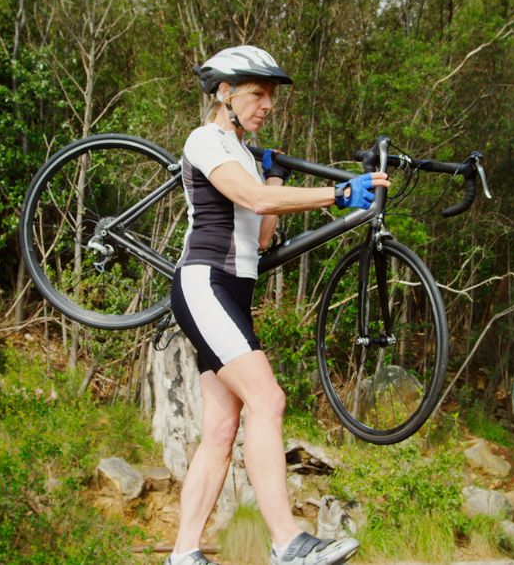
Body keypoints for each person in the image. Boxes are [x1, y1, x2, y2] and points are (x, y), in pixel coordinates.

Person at [166, 45, 389, 565]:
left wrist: (275, 174)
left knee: (221, 431)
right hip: (206, 283)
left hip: (235, 291)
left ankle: (182, 554)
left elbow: (262, 234)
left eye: (271, 97)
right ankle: (288, 542)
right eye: (257, 94)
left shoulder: (242, 152)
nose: (268, 104)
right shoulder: (205, 140)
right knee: (268, 400)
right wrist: (337, 194)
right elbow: (254, 201)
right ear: (224, 92)